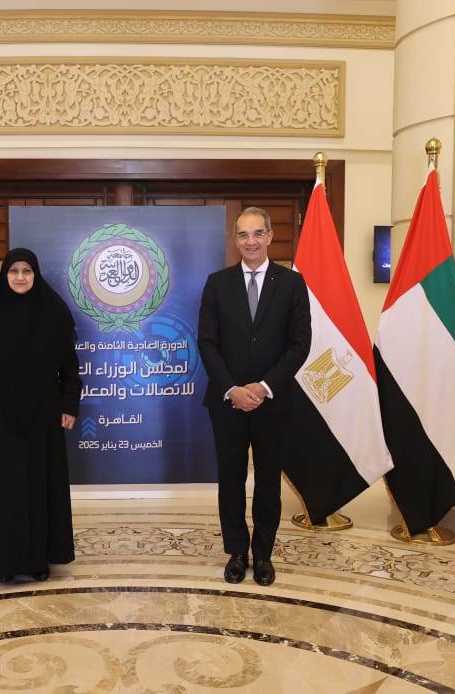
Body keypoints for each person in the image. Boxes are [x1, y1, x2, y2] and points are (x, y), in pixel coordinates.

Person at [198, 207, 312, 586]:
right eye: (244, 234)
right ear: (235, 239)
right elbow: (207, 343)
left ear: (270, 236)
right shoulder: (217, 283)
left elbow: (299, 344)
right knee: (230, 480)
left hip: (272, 402)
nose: (251, 241)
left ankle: (263, 554)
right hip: (226, 401)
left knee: (267, 482)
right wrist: (232, 389)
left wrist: (263, 387)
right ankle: (236, 552)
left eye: (258, 233)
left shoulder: (292, 284)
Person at [0, 248, 82, 584]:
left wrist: (69, 406)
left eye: (26, 271)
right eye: (13, 271)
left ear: (35, 274)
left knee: (39, 489)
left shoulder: (54, 312)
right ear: (5, 275)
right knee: (3, 491)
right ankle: (2, 561)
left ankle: (37, 561)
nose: (20, 277)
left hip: (43, 418)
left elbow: (69, 369)